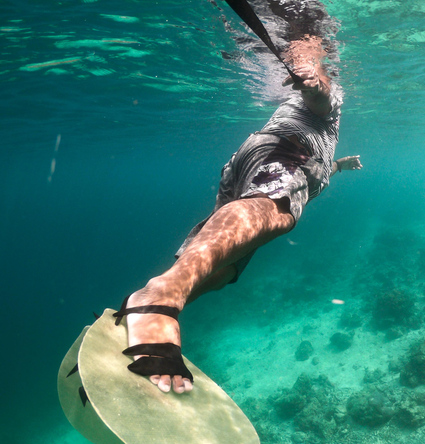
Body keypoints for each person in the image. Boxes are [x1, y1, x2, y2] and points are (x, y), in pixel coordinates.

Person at [113, 10, 361, 394]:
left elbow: (321, 151)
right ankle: (161, 296)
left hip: (255, 155)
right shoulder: (332, 105)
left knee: (226, 264)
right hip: (286, 153)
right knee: (275, 213)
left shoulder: (326, 144)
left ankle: (148, 308)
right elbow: (324, 97)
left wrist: (339, 166)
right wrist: (314, 81)